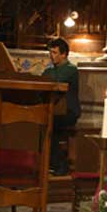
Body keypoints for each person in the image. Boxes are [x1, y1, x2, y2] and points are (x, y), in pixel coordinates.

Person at [43, 38, 81, 176]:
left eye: (54, 52)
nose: (51, 56)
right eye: (50, 52)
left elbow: (56, 82)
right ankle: (48, 163)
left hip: (68, 112)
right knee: (43, 123)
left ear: (64, 54)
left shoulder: (71, 70)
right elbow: (43, 81)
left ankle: (60, 164)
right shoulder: (49, 70)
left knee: (49, 126)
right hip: (54, 111)